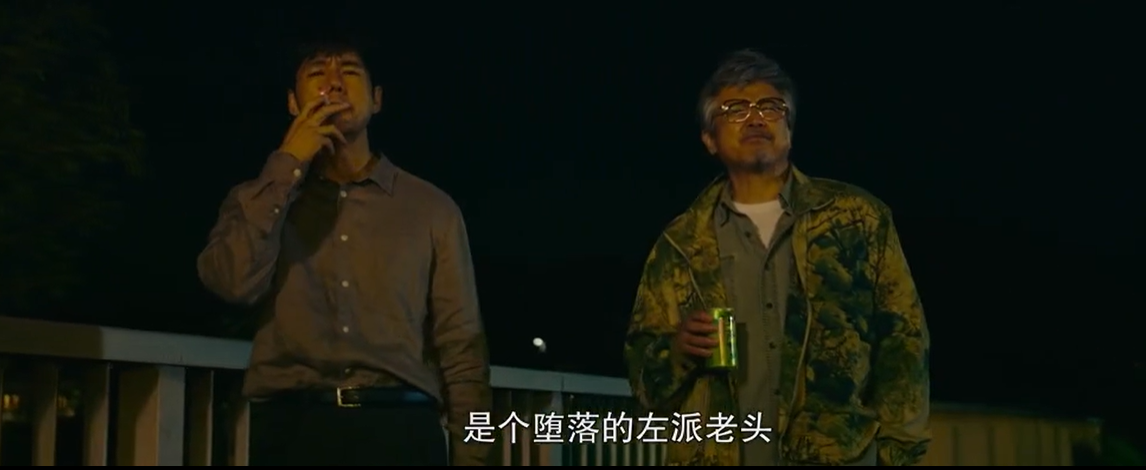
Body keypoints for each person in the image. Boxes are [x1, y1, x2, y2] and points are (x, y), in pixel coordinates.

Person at [623, 49, 931, 466]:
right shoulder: (679, 243)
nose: (755, 118)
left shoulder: (857, 219)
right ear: (709, 139)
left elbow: (904, 344)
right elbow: (642, 381)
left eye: (770, 106)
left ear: (790, 128)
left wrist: (899, 457)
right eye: (735, 109)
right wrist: (677, 351)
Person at [196, 38, 492, 466]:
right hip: (291, 429)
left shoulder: (431, 208)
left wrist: (474, 456)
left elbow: (462, 345)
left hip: (402, 426)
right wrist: (288, 162)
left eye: (349, 72)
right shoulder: (258, 198)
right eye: (318, 73)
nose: (334, 84)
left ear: (377, 99)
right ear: (293, 103)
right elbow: (230, 282)